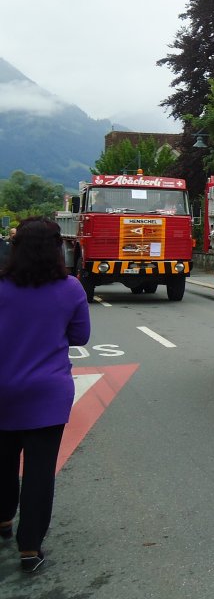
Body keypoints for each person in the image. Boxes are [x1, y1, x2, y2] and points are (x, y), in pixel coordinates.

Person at [0, 217, 91, 574]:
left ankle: (3, 519)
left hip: (3, 390)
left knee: (3, 461)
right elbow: (80, 337)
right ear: (57, 249)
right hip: (47, 394)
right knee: (39, 471)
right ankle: (30, 547)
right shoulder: (71, 288)